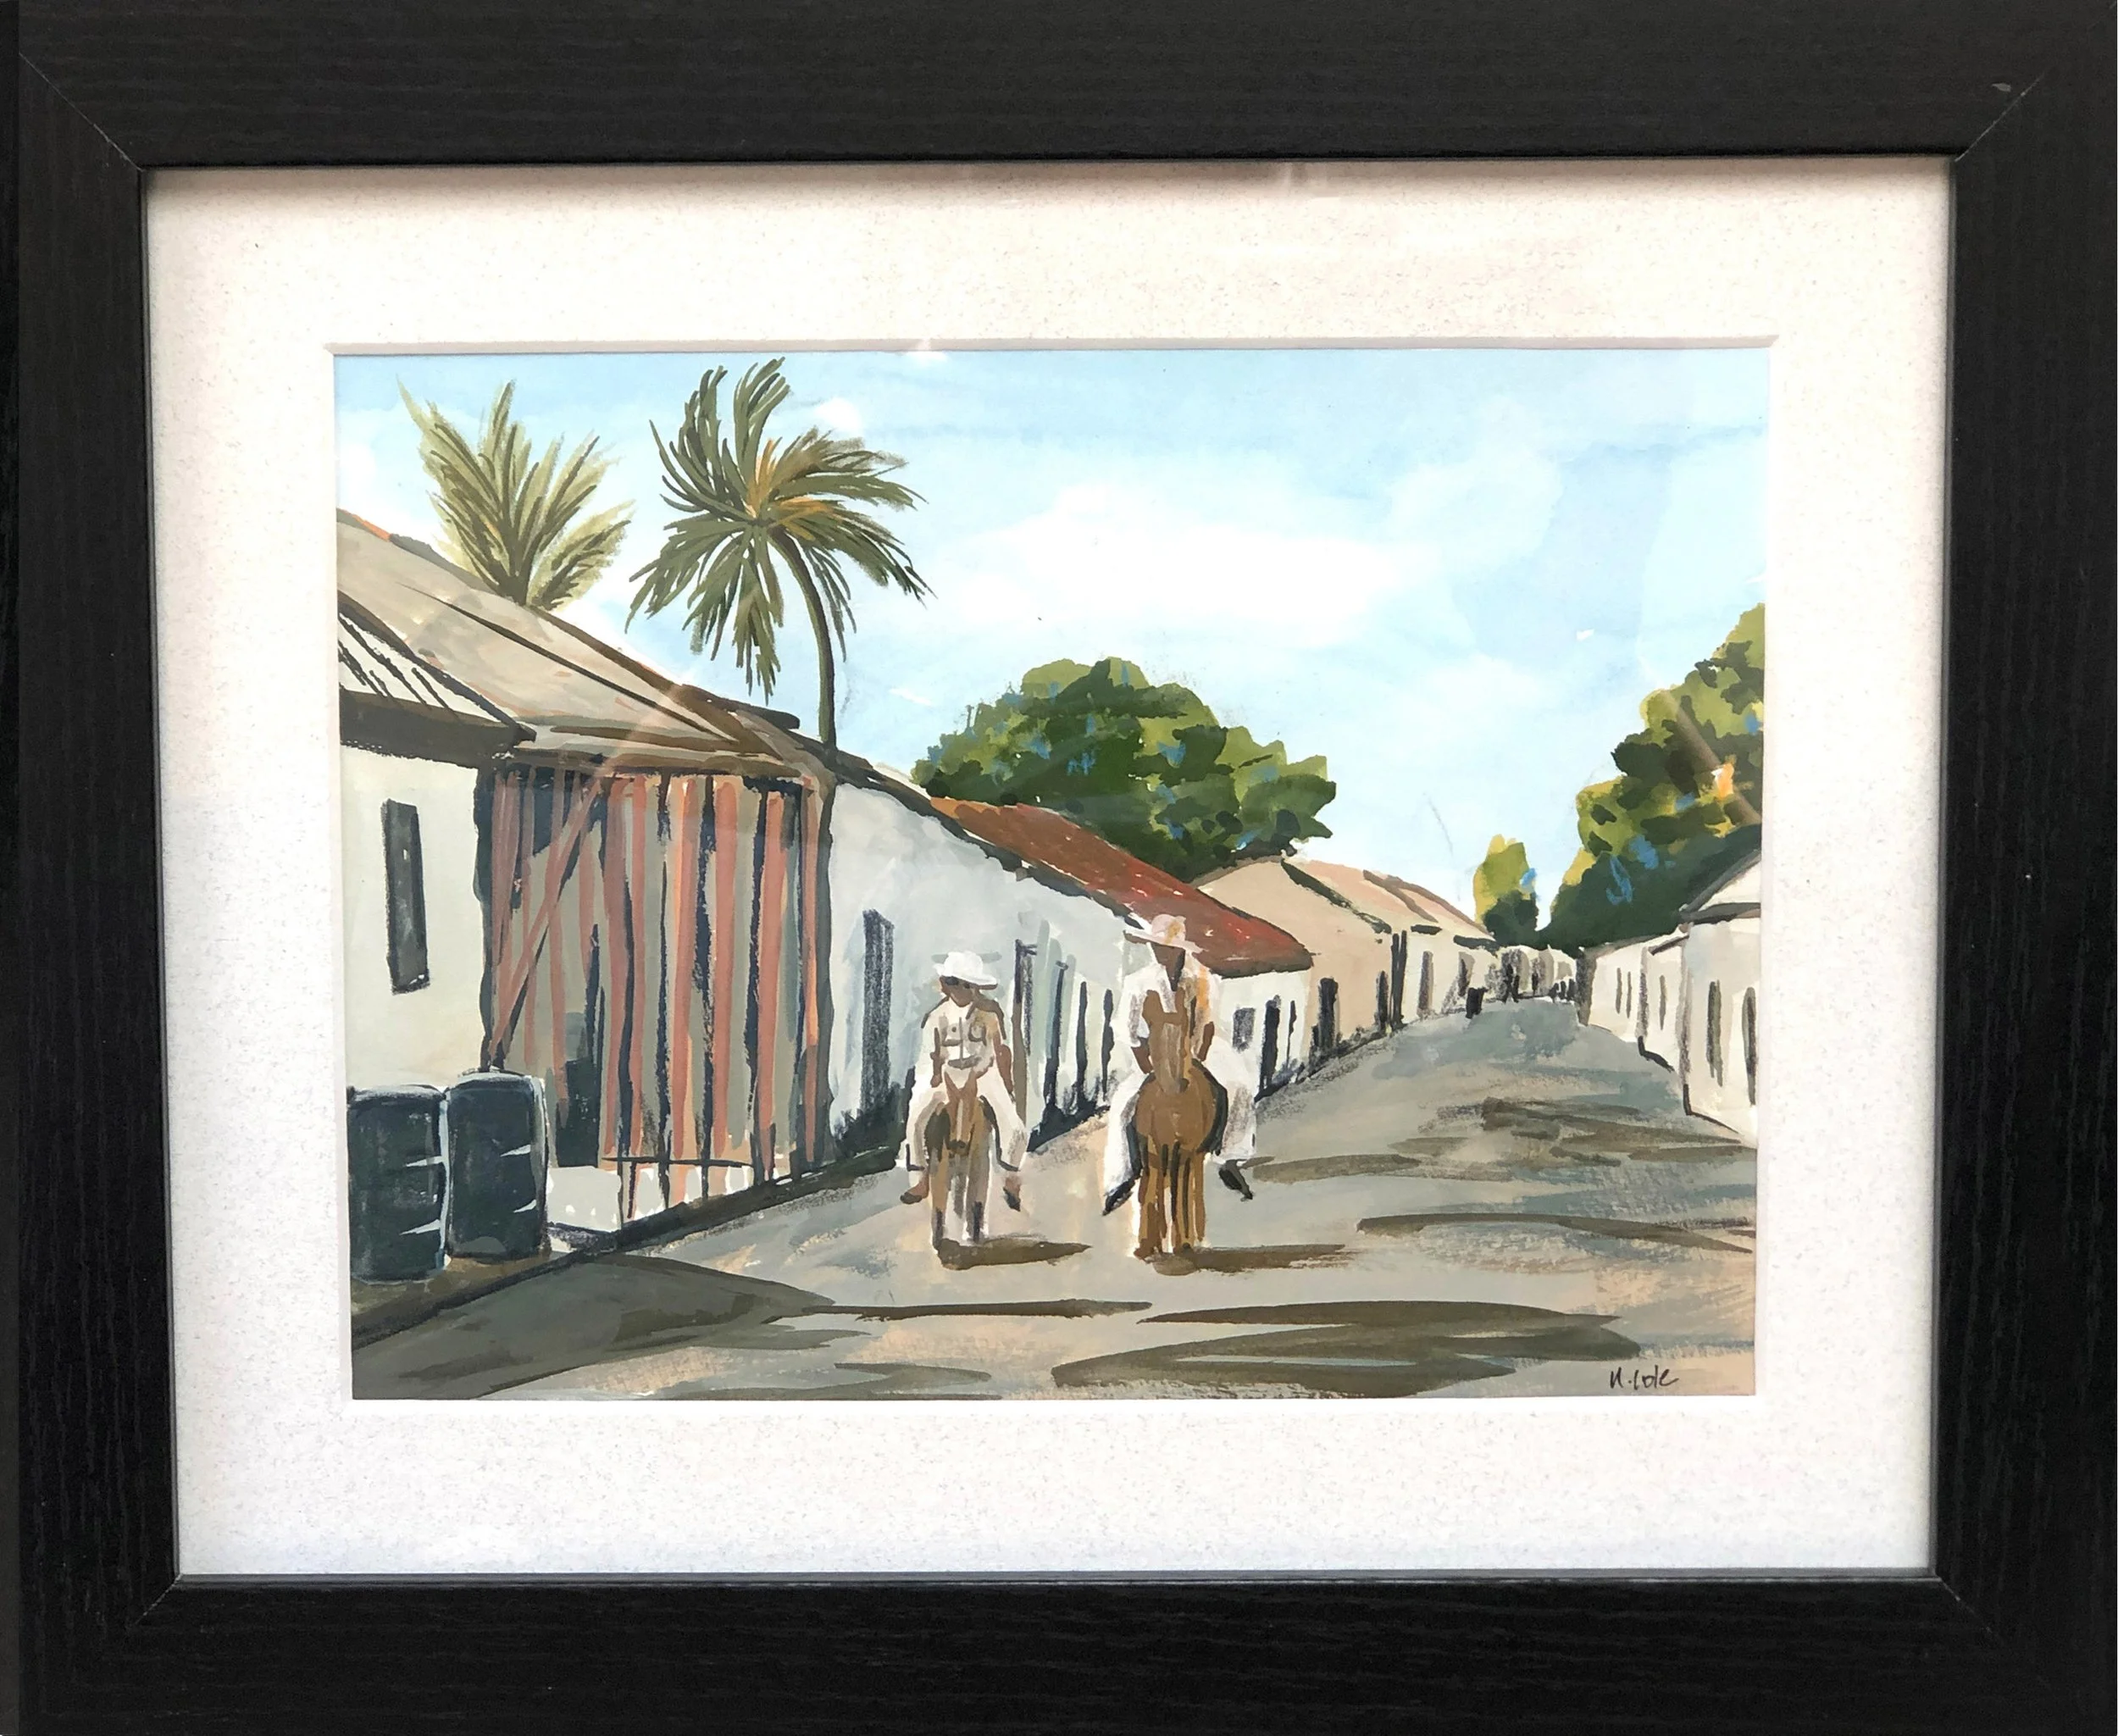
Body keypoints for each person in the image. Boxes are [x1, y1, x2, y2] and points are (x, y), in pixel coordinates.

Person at [1100, 914, 1257, 1244]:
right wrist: (1149, 1066)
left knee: (1237, 1085)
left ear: (1180, 949)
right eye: (1157, 947)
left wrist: (1195, 1058)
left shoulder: (1203, 979)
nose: (1160, 953)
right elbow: (1128, 1031)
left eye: (1166, 948)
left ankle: (1229, 1153)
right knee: (1122, 1104)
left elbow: (1207, 1025)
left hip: (1196, 1049)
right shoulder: (1138, 982)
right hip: (1152, 1053)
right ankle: (1122, 1175)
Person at [899, 951, 1026, 1211]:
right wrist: (935, 1076)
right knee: (916, 1116)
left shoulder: (989, 1013)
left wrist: (1001, 1080)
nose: (959, 989)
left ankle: (1010, 1176)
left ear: (974, 986)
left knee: (1014, 1127)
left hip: (982, 1072)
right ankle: (920, 1177)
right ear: (946, 984)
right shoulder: (936, 1017)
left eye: (965, 984)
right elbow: (929, 1053)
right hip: (945, 1072)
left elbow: (997, 1049)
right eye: (953, 982)